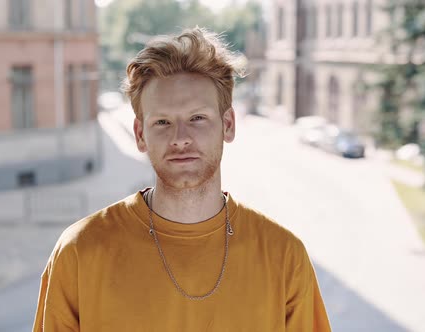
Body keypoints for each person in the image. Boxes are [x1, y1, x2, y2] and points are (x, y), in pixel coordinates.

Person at [33, 27, 331, 331]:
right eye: (162, 122)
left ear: (227, 125)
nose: (180, 138)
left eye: (197, 119)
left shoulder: (283, 256)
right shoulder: (79, 252)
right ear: (140, 134)